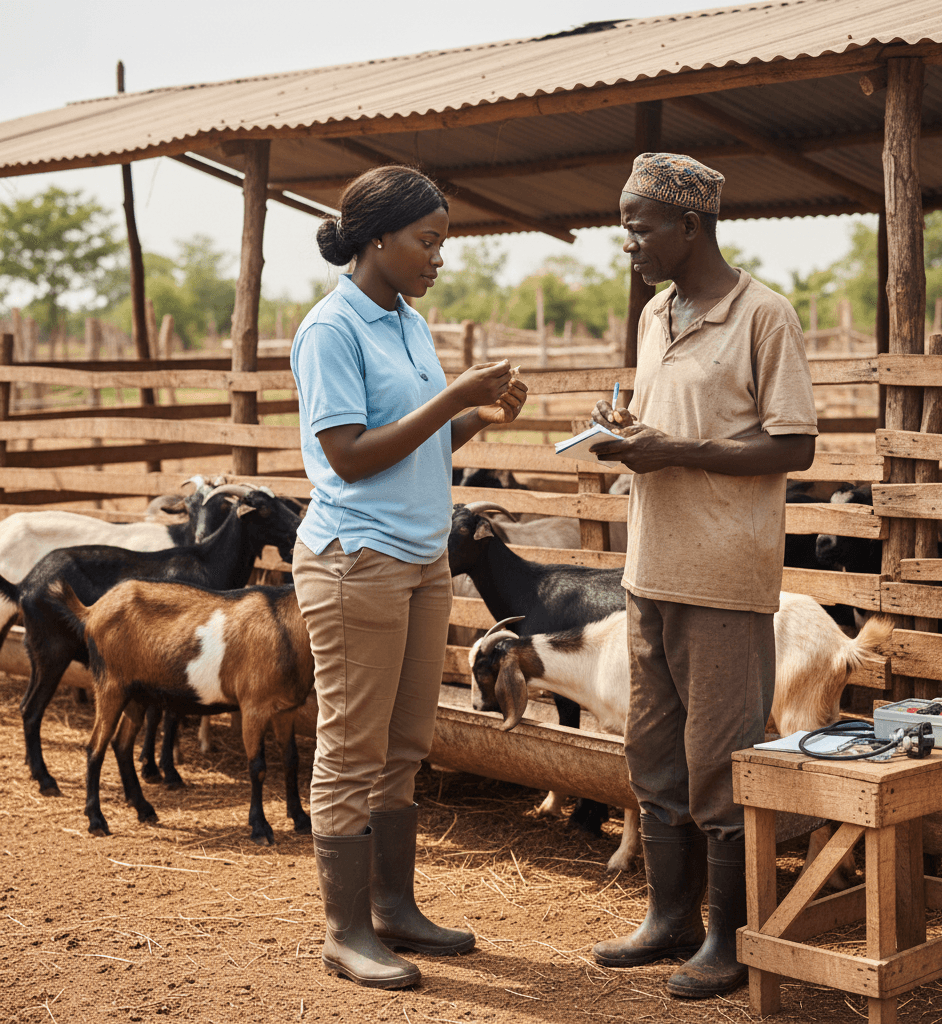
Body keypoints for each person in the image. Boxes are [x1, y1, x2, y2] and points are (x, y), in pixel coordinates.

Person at [289, 165, 528, 990]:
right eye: (428, 242)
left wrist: (477, 414)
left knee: (404, 743)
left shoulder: (406, 321)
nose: (438, 258)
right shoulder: (331, 329)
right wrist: (448, 398)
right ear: (378, 239)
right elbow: (349, 457)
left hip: (422, 557)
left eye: (443, 243)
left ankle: (393, 908)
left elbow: (420, 441)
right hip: (357, 559)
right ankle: (344, 930)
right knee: (352, 746)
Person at [589, 153, 818, 1000]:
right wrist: (631, 434)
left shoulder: (764, 315)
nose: (629, 244)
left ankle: (728, 937)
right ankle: (667, 918)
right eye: (626, 228)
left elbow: (794, 444)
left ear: (692, 226)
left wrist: (677, 449)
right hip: (650, 568)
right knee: (654, 759)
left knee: (722, 764)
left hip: (724, 576)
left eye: (640, 227)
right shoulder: (657, 313)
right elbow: (673, 425)